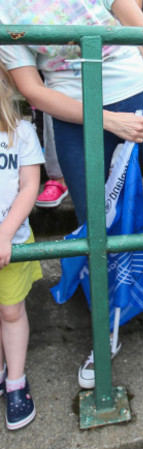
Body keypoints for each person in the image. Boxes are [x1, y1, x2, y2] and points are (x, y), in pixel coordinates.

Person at [0, 0, 143, 226]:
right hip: (73, 114)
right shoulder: (4, 11)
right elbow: (32, 90)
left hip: (140, 92)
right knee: (92, 221)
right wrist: (106, 119)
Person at [0, 62, 43, 430]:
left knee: (11, 311)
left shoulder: (21, 131)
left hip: (10, 241)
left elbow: (30, 186)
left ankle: (15, 380)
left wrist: (3, 233)